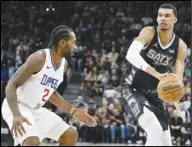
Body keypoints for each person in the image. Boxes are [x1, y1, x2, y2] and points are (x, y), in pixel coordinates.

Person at [1, 25, 97, 146]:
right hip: (18, 106)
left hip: (36, 109)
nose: (75, 47)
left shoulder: (64, 65)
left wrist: (73, 111)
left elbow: (51, 93)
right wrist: (16, 115)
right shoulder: (40, 58)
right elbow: (11, 85)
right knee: (32, 142)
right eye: (73, 42)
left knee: (70, 135)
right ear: (62, 43)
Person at [121, 4, 187, 146]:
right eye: (160, 15)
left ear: (175, 19)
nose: (162, 18)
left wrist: (175, 96)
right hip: (133, 88)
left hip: (154, 94)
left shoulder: (180, 46)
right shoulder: (149, 32)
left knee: (166, 140)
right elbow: (130, 54)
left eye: (167, 16)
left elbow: (178, 74)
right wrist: (156, 74)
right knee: (154, 129)